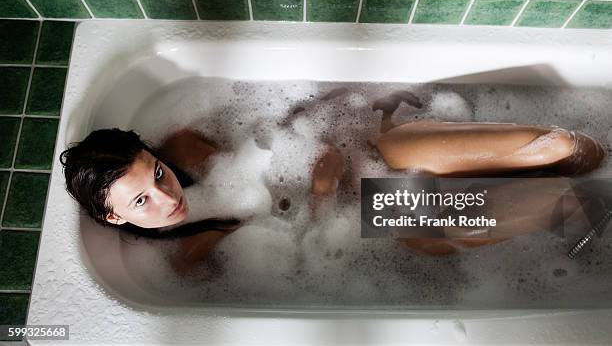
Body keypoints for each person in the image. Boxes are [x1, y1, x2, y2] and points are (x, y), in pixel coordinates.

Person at [61, 112, 605, 272]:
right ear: (113, 220)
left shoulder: (186, 143)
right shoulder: (185, 254)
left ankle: (581, 151)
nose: (165, 195)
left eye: (156, 174)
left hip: (363, 155)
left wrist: (325, 151)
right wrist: (323, 196)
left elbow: (288, 125)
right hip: (355, 213)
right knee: (409, 214)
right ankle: (578, 205)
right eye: (141, 203)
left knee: (544, 146)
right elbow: (300, 255)